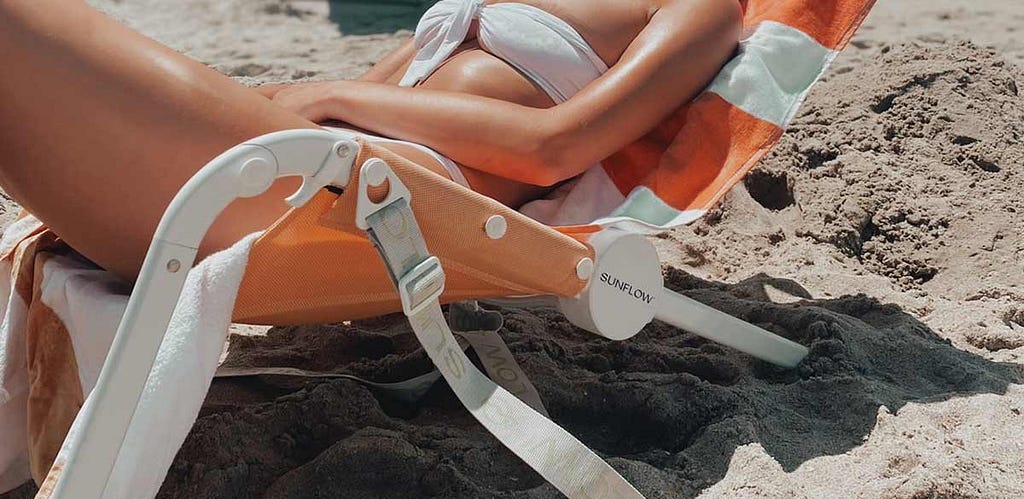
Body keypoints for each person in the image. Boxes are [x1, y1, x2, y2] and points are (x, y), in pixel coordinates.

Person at [0, 0, 741, 280]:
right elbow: (389, 92)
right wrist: (286, 103)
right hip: (316, 161)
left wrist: (328, 94)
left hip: (384, 197)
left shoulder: (698, 8)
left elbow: (554, 148)